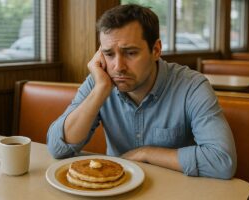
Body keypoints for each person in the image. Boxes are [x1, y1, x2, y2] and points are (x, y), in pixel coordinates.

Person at [47, 4, 236, 179]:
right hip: (115, 188)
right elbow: (57, 148)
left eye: (130, 53)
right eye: (109, 54)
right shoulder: (100, 81)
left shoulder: (192, 86)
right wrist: (100, 91)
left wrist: (145, 153)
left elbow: (222, 161)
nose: (118, 67)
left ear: (156, 50)